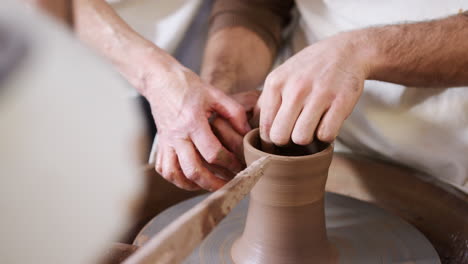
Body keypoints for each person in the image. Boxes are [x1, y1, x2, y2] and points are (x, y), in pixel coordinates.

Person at [196, 0, 468, 193]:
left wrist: (361, 51)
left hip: (454, 164)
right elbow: (259, 5)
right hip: (329, 145)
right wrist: (222, 93)